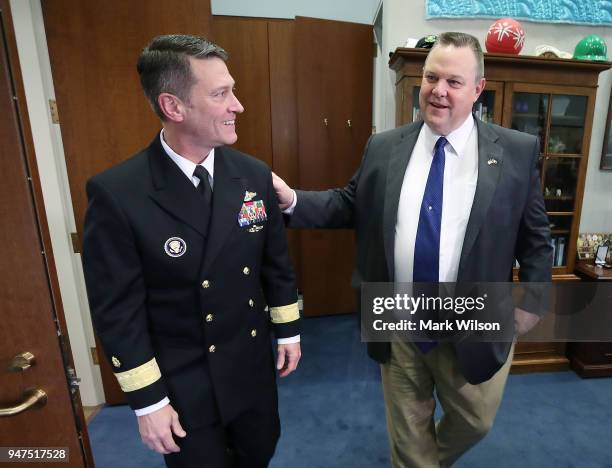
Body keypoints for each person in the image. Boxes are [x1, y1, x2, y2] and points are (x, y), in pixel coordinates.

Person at [273, 32, 552, 467]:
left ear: (478, 89)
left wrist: (533, 299)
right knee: (407, 432)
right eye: (431, 77)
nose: (438, 90)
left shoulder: (515, 152)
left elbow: (535, 235)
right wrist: (292, 199)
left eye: (454, 82)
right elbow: (350, 203)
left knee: (476, 421)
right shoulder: (385, 147)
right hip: (399, 315)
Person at [82, 34, 301, 468]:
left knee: (258, 453)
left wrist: (288, 330)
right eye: (221, 94)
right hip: (184, 383)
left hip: (250, 367)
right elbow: (117, 311)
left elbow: (275, 263)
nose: (237, 105)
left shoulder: (253, 174)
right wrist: (147, 402)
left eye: (232, 90)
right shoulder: (119, 193)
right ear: (173, 107)